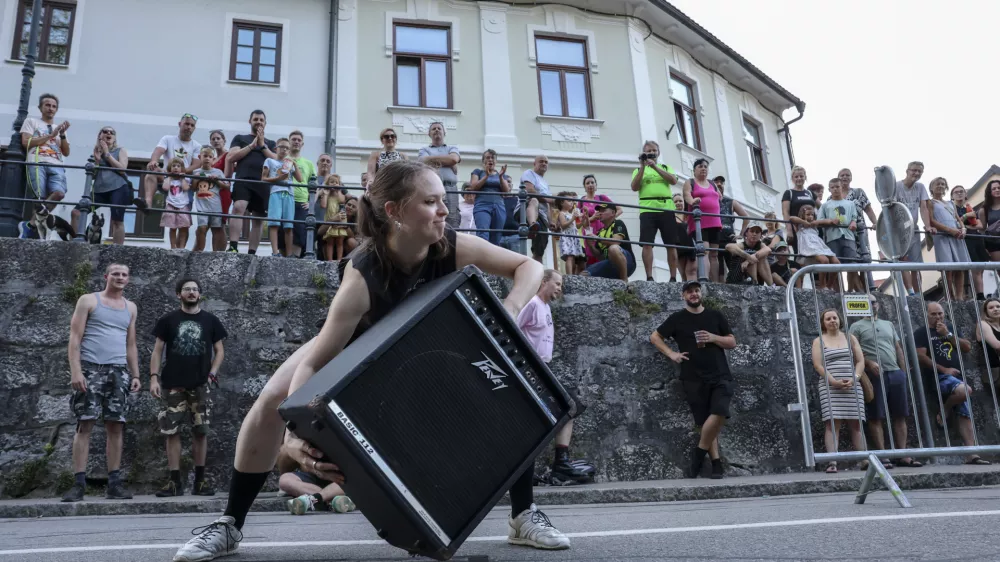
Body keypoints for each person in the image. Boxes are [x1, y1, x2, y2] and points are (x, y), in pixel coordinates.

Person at [173, 160, 570, 562]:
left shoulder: (447, 244)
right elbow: (315, 362)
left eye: (443, 200)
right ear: (395, 212)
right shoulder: (362, 279)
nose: (445, 209)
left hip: (425, 350)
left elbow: (530, 266)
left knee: (504, 397)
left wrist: (510, 309)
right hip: (356, 347)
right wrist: (295, 431)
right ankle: (229, 525)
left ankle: (524, 515)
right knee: (272, 397)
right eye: (431, 202)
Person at [62, 263, 141, 502]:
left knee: (116, 426)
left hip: (118, 371)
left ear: (128, 279)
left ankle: (114, 483)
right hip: (90, 368)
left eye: (124, 274)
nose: (120, 277)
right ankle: (78, 484)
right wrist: (76, 371)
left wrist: (135, 374)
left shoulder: (130, 307)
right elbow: (75, 337)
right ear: (107, 276)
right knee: (84, 424)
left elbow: (131, 344)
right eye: (115, 273)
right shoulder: (88, 300)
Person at [650, 280, 737, 479]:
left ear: (701, 293)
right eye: (689, 292)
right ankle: (716, 463)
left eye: (697, 291)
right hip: (693, 377)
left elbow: (732, 342)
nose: (694, 294)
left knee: (719, 411)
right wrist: (672, 354)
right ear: (683, 296)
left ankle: (698, 455)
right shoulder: (677, 318)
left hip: (720, 374)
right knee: (706, 421)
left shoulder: (715, 315)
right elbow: (655, 337)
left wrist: (713, 338)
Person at [150, 278, 228, 497]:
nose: (191, 292)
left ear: (200, 294)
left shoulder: (210, 320)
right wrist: (153, 378)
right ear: (178, 294)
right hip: (172, 384)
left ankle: (200, 482)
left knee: (201, 432)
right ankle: (174, 482)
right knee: (171, 432)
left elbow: (219, 350)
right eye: (187, 289)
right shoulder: (168, 320)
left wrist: (213, 372)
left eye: (195, 289)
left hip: (201, 385)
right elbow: (157, 350)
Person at [516, 271, 590, 484]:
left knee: (568, 407)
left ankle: (560, 462)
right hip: (531, 369)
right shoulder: (532, 304)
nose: (559, 288)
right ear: (544, 282)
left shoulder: (546, 307)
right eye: (556, 283)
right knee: (567, 406)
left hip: (544, 368)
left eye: (561, 285)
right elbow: (514, 327)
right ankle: (557, 464)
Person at [848, 294, 921, 468]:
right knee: (876, 416)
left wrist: (903, 372)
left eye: (873, 302)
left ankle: (902, 454)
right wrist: (868, 363)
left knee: (901, 415)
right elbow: (852, 352)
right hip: (874, 375)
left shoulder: (888, 324)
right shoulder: (856, 327)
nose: (871, 305)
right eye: (866, 303)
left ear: (878, 305)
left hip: (895, 373)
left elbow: (897, 348)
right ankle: (883, 456)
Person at [913, 302, 989, 465]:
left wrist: (947, 334)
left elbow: (967, 347)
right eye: (933, 314)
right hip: (938, 378)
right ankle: (945, 409)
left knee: (965, 412)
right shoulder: (921, 333)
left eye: (940, 313)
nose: (938, 317)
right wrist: (944, 370)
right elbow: (921, 357)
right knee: (964, 391)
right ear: (926, 315)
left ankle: (971, 454)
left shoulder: (949, 328)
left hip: (957, 377)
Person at [812, 308, 867, 473]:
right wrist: (833, 382)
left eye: (834, 317)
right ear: (823, 323)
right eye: (828, 319)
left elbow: (860, 361)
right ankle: (833, 462)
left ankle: (864, 460)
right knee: (832, 424)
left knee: (856, 424)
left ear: (839, 320)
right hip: (830, 386)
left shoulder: (850, 338)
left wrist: (855, 378)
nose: (832, 321)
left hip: (852, 385)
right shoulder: (818, 340)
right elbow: (818, 365)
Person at [227, 110, 277, 254]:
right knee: (238, 207)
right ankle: (233, 246)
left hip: (263, 183)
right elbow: (231, 157)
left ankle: (252, 252)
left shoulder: (270, 143)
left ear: (265, 123)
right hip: (243, 178)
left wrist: (262, 145)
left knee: (258, 218)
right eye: (256, 119)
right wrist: (251, 145)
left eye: (261, 120)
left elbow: (276, 160)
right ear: (250, 121)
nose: (259, 122)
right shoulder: (240, 138)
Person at [630, 140, 678, 281]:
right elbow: (634, 187)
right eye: (648, 151)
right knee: (647, 243)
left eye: (654, 150)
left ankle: (673, 277)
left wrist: (655, 167)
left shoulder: (665, 167)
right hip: (647, 208)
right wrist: (642, 166)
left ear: (658, 152)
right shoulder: (638, 170)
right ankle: (649, 277)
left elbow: (673, 181)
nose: (651, 153)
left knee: (671, 243)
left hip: (667, 207)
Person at [275, 441, 356, 515]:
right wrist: (312, 464)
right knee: (285, 479)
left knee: (352, 479)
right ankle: (333, 501)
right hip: (315, 473)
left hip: (345, 476)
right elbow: (290, 445)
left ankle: (314, 499)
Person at [141, 113, 202, 211]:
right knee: (151, 171)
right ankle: (147, 204)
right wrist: (153, 161)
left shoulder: (197, 146)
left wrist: (181, 171)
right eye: (187, 124)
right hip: (166, 177)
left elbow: (196, 165)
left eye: (192, 125)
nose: (189, 127)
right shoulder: (167, 139)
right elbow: (158, 151)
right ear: (179, 124)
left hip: (183, 180)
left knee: (183, 218)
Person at [895, 161, 934, 295]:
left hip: (914, 228)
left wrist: (928, 225)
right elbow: (891, 208)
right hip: (899, 229)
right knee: (903, 261)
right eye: (914, 170)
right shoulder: (896, 186)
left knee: (916, 265)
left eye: (919, 171)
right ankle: (910, 292)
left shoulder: (920, 187)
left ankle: (919, 295)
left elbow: (923, 207)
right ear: (907, 171)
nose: (916, 173)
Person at [87, 126, 130, 245]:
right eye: (105, 131)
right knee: (78, 212)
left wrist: (107, 154)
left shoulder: (120, 150)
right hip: (100, 189)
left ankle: (118, 250)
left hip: (118, 188)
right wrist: (96, 161)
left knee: (117, 220)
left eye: (112, 132)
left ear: (114, 138)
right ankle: (76, 243)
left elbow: (122, 169)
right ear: (100, 136)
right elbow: (94, 176)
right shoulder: (96, 151)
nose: (108, 133)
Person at [928, 177, 970, 301]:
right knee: (948, 268)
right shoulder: (930, 202)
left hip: (957, 235)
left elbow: (958, 218)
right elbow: (931, 220)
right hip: (943, 236)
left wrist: (963, 228)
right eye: (937, 184)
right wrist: (949, 230)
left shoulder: (951, 203)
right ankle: (949, 296)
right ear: (932, 187)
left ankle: (959, 296)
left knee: (960, 267)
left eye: (943, 184)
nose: (940, 186)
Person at [262, 138, 304, 257]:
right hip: (276, 193)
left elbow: (300, 179)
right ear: (276, 149)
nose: (284, 150)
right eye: (282, 147)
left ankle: (289, 254)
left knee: (289, 225)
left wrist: (294, 164)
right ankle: (275, 252)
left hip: (289, 194)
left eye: (287, 148)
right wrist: (277, 179)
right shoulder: (269, 161)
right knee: (274, 223)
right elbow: (263, 178)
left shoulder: (289, 163)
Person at [683, 159, 722, 282]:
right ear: (694, 170)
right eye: (700, 166)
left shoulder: (712, 183)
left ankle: (715, 282)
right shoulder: (690, 182)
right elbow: (687, 195)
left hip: (715, 222)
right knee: (704, 251)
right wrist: (693, 202)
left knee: (714, 254)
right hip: (700, 221)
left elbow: (719, 197)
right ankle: (704, 280)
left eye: (705, 166)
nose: (704, 168)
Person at [418, 121, 462, 228]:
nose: (437, 130)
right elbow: (423, 161)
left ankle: (452, 244)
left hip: (450, 188)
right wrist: (448, 160)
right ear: (429, 134)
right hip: (432, 189)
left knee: (452, 218)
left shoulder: (452, 148)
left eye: (439, 128)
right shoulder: (424, 150)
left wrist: (432, 159)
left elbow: (453, 159)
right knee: (434, 216)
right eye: (434, 129)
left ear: (444, 133)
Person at [840, 168, 878, 291]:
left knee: (864, 258)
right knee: (851, 262)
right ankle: (857, 290)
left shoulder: (858, 192)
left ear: (851, 178)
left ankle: (869, 289)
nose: (845, 177)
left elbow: (868, 209)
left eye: (847, 175)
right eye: (842, 175)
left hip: (860, 231)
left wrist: (875, 222)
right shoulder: (833, 196)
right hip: (845, 233)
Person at [583, 203, 636, 282]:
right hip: (609, 263)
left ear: (613, 213)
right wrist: (591, 246)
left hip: (628, 263)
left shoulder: (618, 223)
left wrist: (597, 238)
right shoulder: (600, 232)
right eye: (599, 211)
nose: (600, 213)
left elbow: (616, 242)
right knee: (583, 274)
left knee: (613, 248)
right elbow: (599, 256)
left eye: (603, 211)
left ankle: (624, 281)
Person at [468, 149, 510, 245]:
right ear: (483, 161)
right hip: (482, 205)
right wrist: (486, 176)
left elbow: (506, 191)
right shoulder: (478, 172)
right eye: (487, 157)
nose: (490, 160)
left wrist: (500, 177)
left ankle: (492, 259)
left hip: (499, 206)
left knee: (496, 236)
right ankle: (482, 259)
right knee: (483, 233)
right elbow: (473, 187)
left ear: (496, 161)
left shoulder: (502, 175)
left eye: (492, 158)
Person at [952, 184, 987, 300]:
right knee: (969, 268)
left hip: (976, 239)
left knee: (980, 268)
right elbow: (955, 225)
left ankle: (980, 294)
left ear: (965, 194)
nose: (959, 193)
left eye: (961, 191)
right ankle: (974, 296)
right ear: (952, 195)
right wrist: (966, 217)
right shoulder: (952, 208)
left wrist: (966, 225)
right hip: (963, 240)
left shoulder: (968, 207)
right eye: (956, 192)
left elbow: (981, 225)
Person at [816, 177, 858, 270]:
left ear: (841, 187)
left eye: (837, 187)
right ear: (829, 189)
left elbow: (854, 217)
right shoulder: (825, 205)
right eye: (833, 187)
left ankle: (852, 285)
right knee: (834, 267)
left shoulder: (850, 204)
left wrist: (853, 222)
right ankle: (833, 285)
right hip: (832, 238)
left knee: (852, 266)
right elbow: (819, 222)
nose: (835, 189)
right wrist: (830, 221)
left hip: (848, 237)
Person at [192, 146, 228, 252]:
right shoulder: (196, 172)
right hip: (202, 206)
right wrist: (197, 179)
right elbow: (193, 188)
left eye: (210, 156)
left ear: (213, 159)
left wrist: (217, 181)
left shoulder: (218, 172)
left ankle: (215, 252)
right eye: (205, 156)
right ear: (200, 157)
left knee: (216, 229)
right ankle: (200, 252)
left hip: (215, 206)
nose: (207, 158)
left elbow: (226, 186)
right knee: (202, 228)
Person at [288, 131, 317, 258]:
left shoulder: (308, 163)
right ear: (289, 142)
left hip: (301, 201)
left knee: (299, 229)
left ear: (302, 144)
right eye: (293, 139)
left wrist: (311, 203)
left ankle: (295, 259)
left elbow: (315, 186)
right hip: (285, 198)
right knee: (284, 227)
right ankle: (285, 257)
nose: (296, 142)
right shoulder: (282, 159)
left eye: (299, 140)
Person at [521, 155, 553, 263]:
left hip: (542, 217)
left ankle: (537, 273)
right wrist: (547, 199)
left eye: (546, 162)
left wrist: (550, 221)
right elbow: (530, 190)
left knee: (540, 250)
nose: (544, 163)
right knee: (534, 200)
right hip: (526, 209)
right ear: (535, 164)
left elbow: (548, 205)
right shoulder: (529, 173)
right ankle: (532, 225)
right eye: (541, 161)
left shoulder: (546, 183)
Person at [723, 221, 772, 285]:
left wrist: (749, 259)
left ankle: (771, 285)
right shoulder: (742, 244)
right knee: (753, 258)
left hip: (751, 280)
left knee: (762, 258)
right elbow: (728, 246)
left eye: (757, 232)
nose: (754, 234)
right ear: (746, 233)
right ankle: (754, 284)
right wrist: (747, 256)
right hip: (736, 281)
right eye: (752, 231)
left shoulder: (760, 245)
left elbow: (768, 250)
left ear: (760, 235)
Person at [160, 158, 192, 250]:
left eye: (178, 166)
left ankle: (181, 247)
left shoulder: (186, 179)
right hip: (171, 204)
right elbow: (165, 188)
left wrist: (182, 178)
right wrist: (169, 177)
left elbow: (186, 188)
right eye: (173, 166)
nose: (176, 168)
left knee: (183, 227)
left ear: (182, 168)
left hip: (183, 205)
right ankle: (172, 246)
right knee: (172, 227)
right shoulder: (168, 179)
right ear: (170, 168)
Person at [554, 192, 585, 273]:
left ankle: (573, 276)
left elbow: (577, 226)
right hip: (567, 237)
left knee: (574, 258)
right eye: (569, 200)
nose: (572, 202)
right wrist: (573, 218)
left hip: (573, 237)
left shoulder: (571, 214)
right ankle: (569, 276)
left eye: (572, 201)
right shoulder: (561, 213)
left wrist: (583, 220)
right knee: (569, 257)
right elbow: (563, 225)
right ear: (562, 202)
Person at [976, 298, 1000, 395]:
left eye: (998, 306)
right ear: (986, 312)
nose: (995, 309)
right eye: (991, 308)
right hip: (995, 371)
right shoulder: (983, 324)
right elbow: (997, 345)